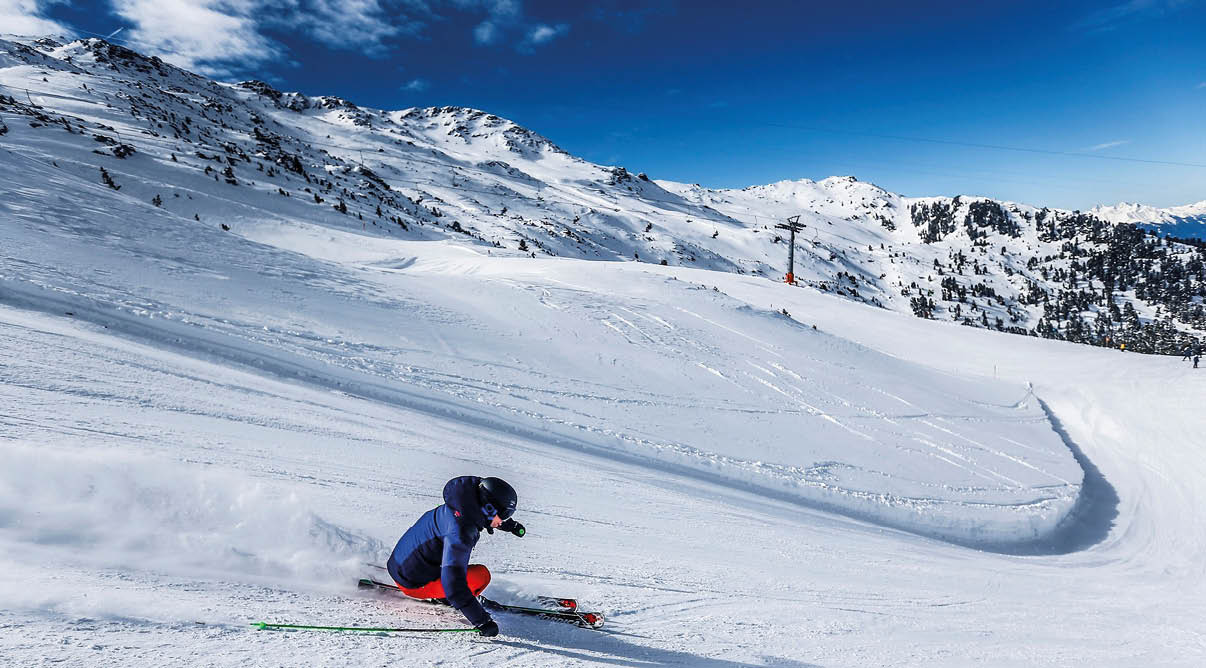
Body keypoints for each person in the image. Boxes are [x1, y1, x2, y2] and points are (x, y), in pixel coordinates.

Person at [387, 476, 525, 637]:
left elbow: (480, 511)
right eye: (504, 515)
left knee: (457, 563)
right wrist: (482, 621)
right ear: (488, 509)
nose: (504, 519)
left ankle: (440, 591)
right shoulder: (461, 532)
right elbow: (453, 584)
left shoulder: (460, 505)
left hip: (398, 563)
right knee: (481, 575)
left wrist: (510, 525)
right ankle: (441, 596)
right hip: (413, 583)